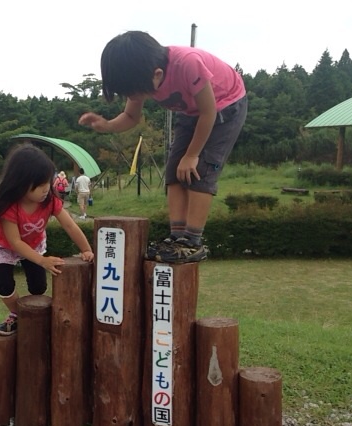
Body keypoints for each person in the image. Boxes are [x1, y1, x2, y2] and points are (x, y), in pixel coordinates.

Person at [79, 31, 247, 263]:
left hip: (225, 106)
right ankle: (177, 237)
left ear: (157, 75)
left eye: (132, 92)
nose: (132, 96)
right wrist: (106, 125)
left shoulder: (188, 64)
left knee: (201, 170)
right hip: (190, 111)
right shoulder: (142, 73)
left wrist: (192, 154)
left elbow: (208, 113)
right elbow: (130, 116)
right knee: (174, 171)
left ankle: (192, 241)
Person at [0, 144, 94, 335]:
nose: (45, 189)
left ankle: (34, 314)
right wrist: (42, 260)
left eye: (48, 183)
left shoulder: (49, 200)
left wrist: (87, 249)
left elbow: (69, 225)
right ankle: (18, 315)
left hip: (32, 243)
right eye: (40, 185)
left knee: (38, 286)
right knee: (3, 285)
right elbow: (15, 242)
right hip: (4, 245)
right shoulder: (9, 206)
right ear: (21, 183)